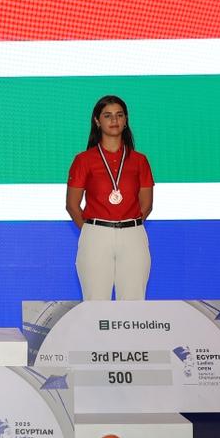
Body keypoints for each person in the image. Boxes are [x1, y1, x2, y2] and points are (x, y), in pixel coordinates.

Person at [65, 95, 154, 300]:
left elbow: (147, 205)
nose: (114, 120)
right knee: (95, 303)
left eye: (119, 115)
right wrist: (93, 230)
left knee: (133, 303)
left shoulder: (140, 160)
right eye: (107, 116)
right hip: (96, 233)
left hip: (133, 234)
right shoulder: (83, 160)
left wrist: (128, 225)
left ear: (126, 120)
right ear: (97, 121)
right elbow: (72, 205)